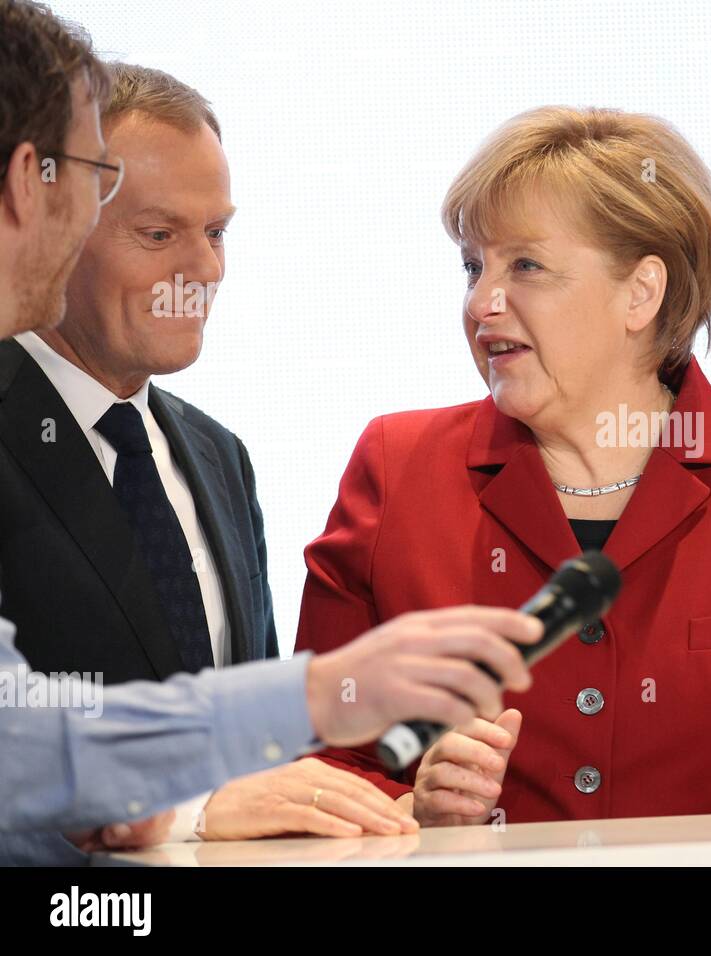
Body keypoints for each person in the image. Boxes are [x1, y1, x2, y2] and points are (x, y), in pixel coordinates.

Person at [0, 0, 538, 861]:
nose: (204, 269)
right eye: (158, 233)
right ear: (60, 214)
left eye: (216, 233)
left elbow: (273, 774)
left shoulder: (217, 457)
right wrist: (198, 803)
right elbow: (20, 744)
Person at [295, 106, 711, 825]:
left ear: (640, 293)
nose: (483, 301)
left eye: (526, 266)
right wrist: (414, 810)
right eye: (473, 267)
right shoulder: (396, 469)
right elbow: (319, 760)